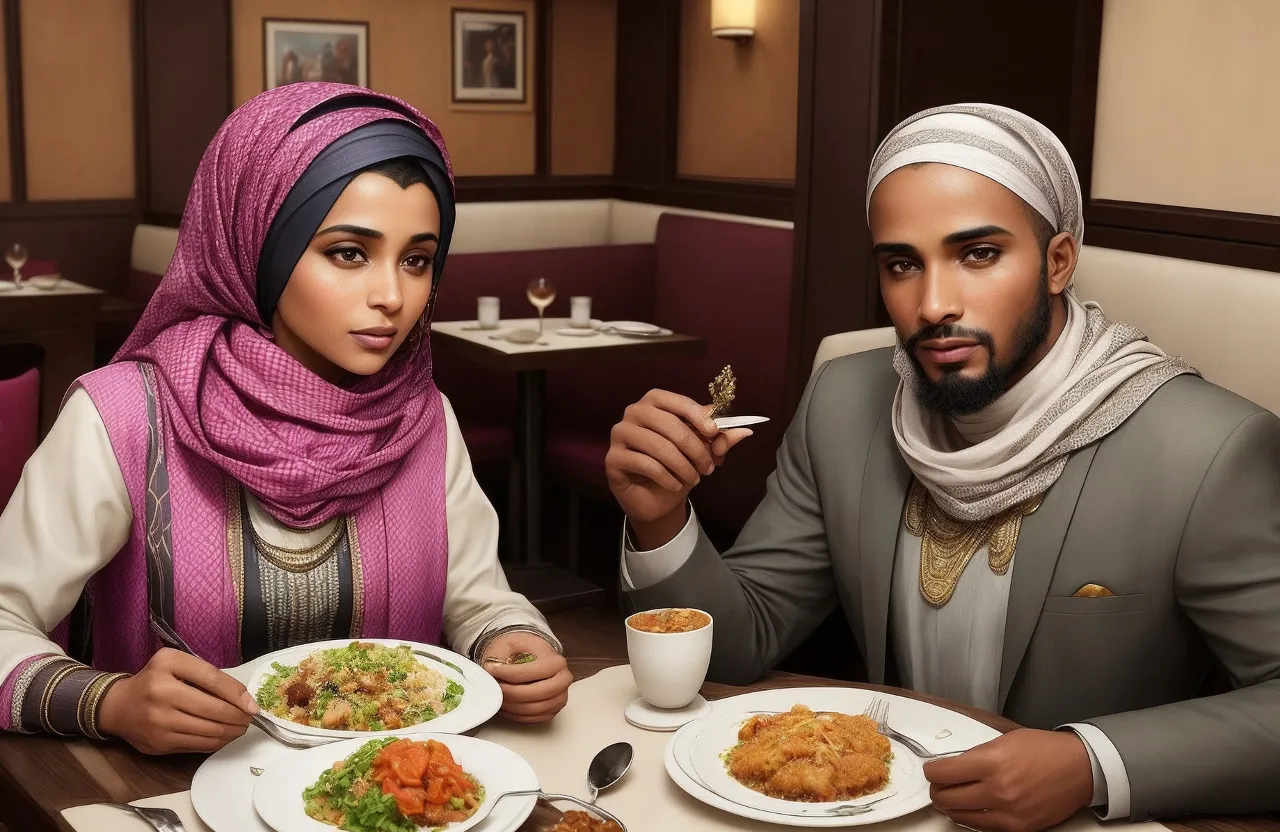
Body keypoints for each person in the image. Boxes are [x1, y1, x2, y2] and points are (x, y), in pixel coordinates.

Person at [605, 103, 1280, 829]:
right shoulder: (844, 402)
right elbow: (740, 644)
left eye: (979, 254)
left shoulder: (1209, 450)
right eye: (902, 264)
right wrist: (661, 517)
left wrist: (1092, 763)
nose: (932, 304)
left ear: (1058, 261)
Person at [0, 83, 571, 755]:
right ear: (258, 244)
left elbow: (479, 599)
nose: (393, 296)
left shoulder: (424, 420)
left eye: (417, 260)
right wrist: (110, 701)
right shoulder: (126, 417)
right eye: (349, 253)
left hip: (390, 799)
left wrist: (516, 642)